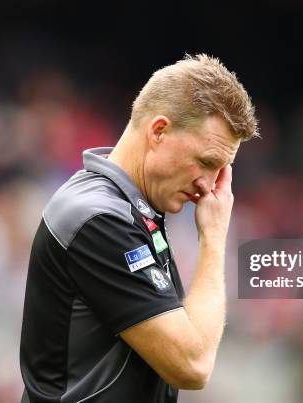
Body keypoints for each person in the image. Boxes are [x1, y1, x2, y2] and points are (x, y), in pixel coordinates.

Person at [19, 54, 258, 403]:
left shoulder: (128, 205)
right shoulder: (100, 219)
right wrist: (214, 238)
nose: (209, 186)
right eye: (206, 162)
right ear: (158, 131)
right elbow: (192, 365)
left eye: (221, 170)